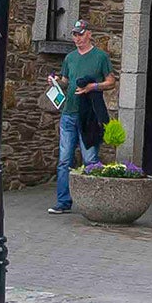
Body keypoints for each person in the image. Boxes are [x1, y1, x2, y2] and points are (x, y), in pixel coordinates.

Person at [49, 19, 113, 215]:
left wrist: (92, 87)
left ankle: (94, 203)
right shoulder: (69, 58)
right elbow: (66, 80)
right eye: (75, 34)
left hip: (89, 115)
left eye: (80, 34)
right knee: (64, 160)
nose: (77, 38)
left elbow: (111, 81)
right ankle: (63, 202)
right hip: (68, 113)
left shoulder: (100, 57)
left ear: (89, 34)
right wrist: (56, 82)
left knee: (90, 159)